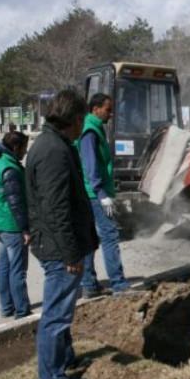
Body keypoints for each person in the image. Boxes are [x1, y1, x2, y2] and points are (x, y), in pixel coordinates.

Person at [25, 89, 99, 379]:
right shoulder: (54, 150)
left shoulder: (52, 143)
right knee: (56, 315)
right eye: (84, 119)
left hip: (54, 244)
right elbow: (56, 210)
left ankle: (65, 359)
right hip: (59, 249)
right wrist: (71, 253)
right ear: (76, 118)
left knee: (62, 310)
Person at [76, 93, 130, 298]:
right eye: (108, 109)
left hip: (91, 192)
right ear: (96, 109)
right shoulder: (90, 132)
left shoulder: (94, 128)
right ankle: (118, 283)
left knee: (90, 238)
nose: (111, 113)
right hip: (95, 194)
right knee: (110, 236)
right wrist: (101, 193)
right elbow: (91, 166)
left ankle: (89, 285)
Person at [0, 131, 31, 319]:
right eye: (24, 149)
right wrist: (25, 229)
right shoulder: (10, 169)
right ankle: (21, 310)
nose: (25, 153)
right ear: (15, 147)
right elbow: (16, 203)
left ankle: (6, 307)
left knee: (4, 266)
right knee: (18, 270)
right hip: (11, 224)